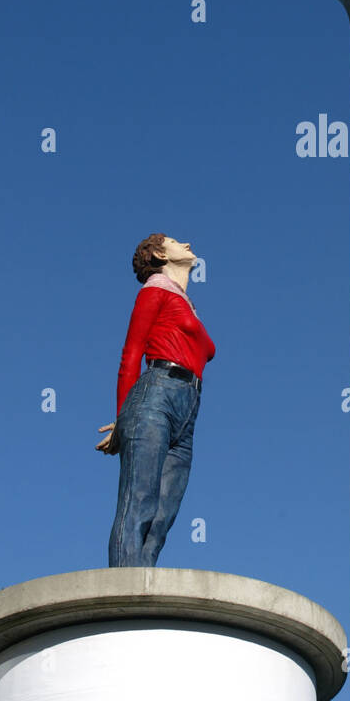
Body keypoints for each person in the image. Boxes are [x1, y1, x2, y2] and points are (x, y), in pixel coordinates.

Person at [97, 233, 216, 567]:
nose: (189, 245)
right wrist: (122, 417)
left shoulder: (182, 302)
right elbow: (131, 353)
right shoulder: (154, 290)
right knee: (139, 502)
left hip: (188, 408)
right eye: (178, 242)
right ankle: (124, 600)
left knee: (163, 517)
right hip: (156, 395)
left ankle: (145, 593)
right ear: (160, 254)